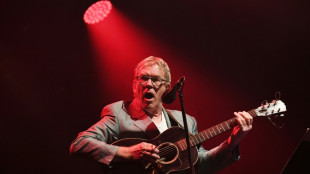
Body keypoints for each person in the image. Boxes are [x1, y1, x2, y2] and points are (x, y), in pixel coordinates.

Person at [70, 56, 253, 174]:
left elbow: (201, 165)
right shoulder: (118, 113)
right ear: (134, 86)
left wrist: (234, 140)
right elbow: (80, 144)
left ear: (166, 88)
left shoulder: (185, 121)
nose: (148, 84)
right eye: (142, 78)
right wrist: (129, 153)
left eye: (155, 80)